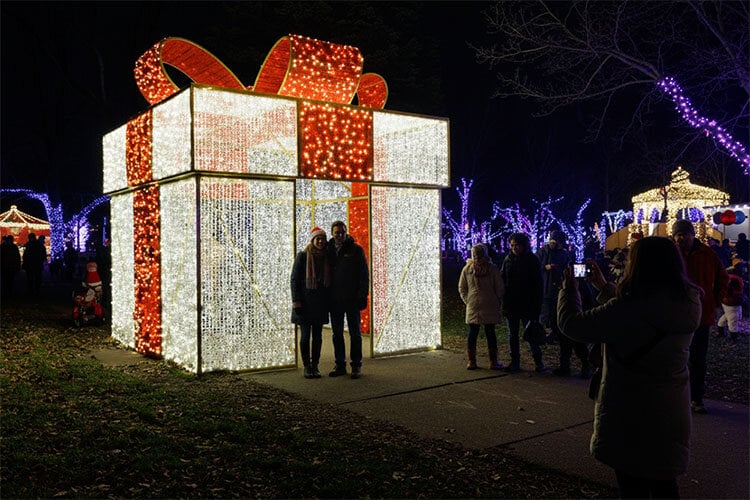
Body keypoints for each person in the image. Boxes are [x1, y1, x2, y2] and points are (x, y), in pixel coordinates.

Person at [558, 236, 702, 499]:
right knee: (665, 485)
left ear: (638, 266)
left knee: (632, 488)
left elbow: (572, 324)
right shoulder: (689, 303)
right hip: (671, 409)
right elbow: (646, 313)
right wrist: (603, 286)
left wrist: (569, 289)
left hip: (630, 412)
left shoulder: (628, 308)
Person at [671, 219, 729, 414]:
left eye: (684, 234)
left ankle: (696, 397)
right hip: (676, 314)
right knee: (677, 356)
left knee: (698, 358)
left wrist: (715, 298)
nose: (681, 238)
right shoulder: (671, 255)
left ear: (692, 234)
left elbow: (723, 277)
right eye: (678, 234)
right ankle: (679, 396)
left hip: (702, 314)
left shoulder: (707, 254)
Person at [326, 221, 369, 379]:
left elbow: (364, 275)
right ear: (332, 233)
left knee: (355, 333)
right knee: (337, 333)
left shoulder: (356, 250)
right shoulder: (328, 249)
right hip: (335, 299)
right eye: (337, 232)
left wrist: (362, 295)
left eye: (342, 232)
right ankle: (340, 364)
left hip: (352, 299)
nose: (339, 235)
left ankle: (356, 365)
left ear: (346, 232)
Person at [500, 232, 547, 373]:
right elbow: (503, 279)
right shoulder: (508, 260)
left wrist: (537, 305)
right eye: (512, 245)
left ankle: (539, 362)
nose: (514, 248)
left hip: (528, 303)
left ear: (523, 245)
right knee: (512, 335)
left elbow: (538, 284)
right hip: (512, 304)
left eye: (517, 245)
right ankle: (515, 362)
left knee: (531, 333)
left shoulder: (532, 260)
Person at [290, 227, 331, 379]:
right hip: (305, 303)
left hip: (320, 303)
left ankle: (316, 365)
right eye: (317, 239)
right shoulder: (303, 256)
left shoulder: (327, 256)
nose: (320, 241)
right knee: (305, 336)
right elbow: (294, 280)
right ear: (312, 240)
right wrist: (296, 302)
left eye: (323, 239)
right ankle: (307, 366)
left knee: (318, 337)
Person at [458, 243, 505, 370]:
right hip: (488, 303)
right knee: (489, 333)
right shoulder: (492, 269)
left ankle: (472, 361)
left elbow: (462, 288)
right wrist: (496, 299)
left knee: (473, 333)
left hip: (474, 304)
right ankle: (493, 361)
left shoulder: (467, 269)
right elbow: (500, 287)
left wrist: (467, 300)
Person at [537, 230, 571, 344]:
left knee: (556, 312)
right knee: (545, 313)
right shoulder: (543, 252)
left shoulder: (564, 254)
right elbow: (536, 267)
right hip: (545, 287)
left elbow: (567, 267)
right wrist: (545, 267)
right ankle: (544, 335)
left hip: (558, 287)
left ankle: (554, 334)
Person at [717, 272, 743, 341]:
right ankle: (730, 336)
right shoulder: (735, 278)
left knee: (729, 321)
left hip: (729, 304)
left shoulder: (729, 279)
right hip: (731, 305)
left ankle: (728, 336)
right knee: (729, 321)